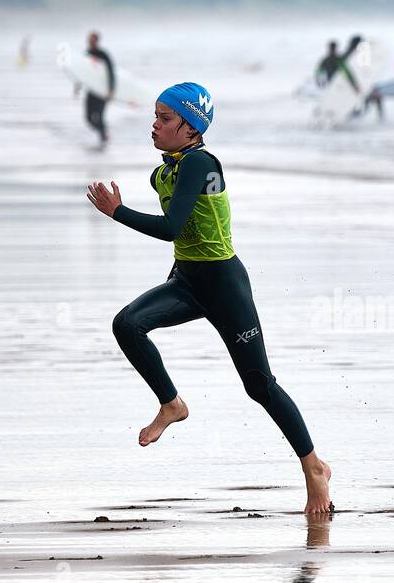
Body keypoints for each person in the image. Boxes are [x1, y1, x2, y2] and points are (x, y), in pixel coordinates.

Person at [86, 82, 334, 515]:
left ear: (190, 127)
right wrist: (176, 275)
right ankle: (172, 404)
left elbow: (172, 228)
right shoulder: (164, 170)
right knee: (127, 324)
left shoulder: (201, 163)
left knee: (259, 386)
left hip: (224, 286)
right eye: (156, 116)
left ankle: (314, 467)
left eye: (165, 119)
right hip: (187, 281)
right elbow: (182, 241)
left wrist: (116, 213)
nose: (155, 125)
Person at [84, 31, 116, 148]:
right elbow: (81, 72)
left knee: (100, 117)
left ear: (97, 41)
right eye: (89, 39)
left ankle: (103, 140)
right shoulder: (86, 54)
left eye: (93, 39)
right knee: (88, 118)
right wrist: (77, 87)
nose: (91, 41)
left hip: (102, 92)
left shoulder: (103, 55)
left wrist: (111, 90)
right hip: (91, 91)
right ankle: (103, 134)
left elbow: (111, 73)